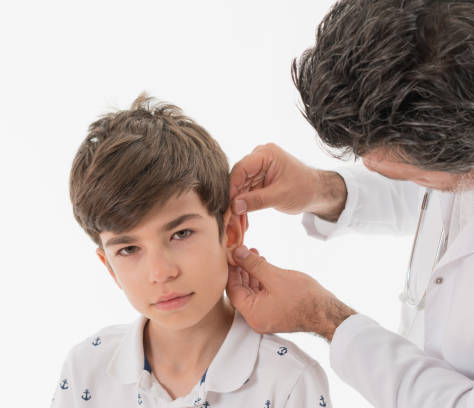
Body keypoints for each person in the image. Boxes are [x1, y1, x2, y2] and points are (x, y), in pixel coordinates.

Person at [225, 0, 474, 406]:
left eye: (405, 175)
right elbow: (447, 179)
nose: (375, 172)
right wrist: (320, 189)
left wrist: (326, 319)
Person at [51, 95, 332, 408]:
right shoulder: (86, 369)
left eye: (180, 234)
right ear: (109, 266)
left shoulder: (288, 381)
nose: (160, 272)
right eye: (129, 249)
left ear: (230, 231)